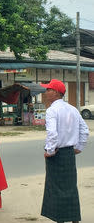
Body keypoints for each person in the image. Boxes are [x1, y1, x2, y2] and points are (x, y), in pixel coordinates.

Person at [40, 79, 89, 223]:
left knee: (56, 188)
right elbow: (85, 131)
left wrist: (49, 151)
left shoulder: (51, 110)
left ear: (55, 92)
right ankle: (74, 219)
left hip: (57, 153)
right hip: (69, 153)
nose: (46, 92)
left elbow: (52, 134)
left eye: (48, 89)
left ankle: (59, 219)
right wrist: (79, 147)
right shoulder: (72, 109)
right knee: (70, 187)